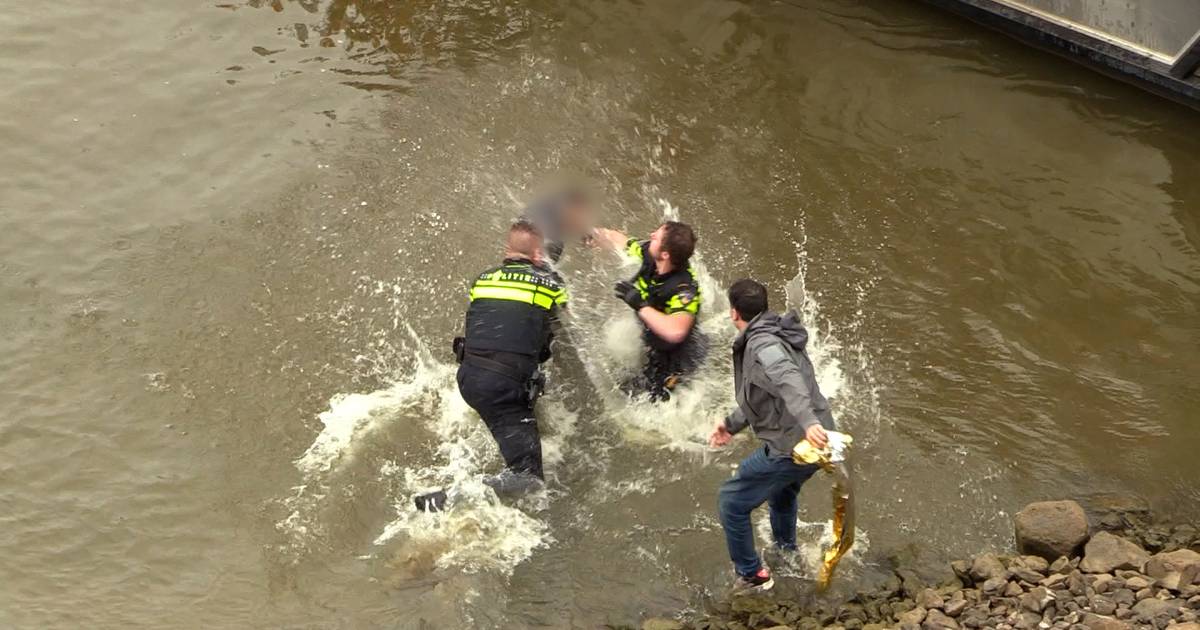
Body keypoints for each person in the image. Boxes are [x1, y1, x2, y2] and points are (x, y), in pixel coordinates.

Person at [708, 278, 836, 593]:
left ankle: (752, 576)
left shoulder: (763, 345)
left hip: (798, 443)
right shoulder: (775, 331)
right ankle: (786, 552)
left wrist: (807, 422)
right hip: (817, 435)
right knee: (782, 493)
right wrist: (732, 423)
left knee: (732, 500)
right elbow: (765, 395)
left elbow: (788, 379)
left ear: (733, 312)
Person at [454, 220, 567, 497]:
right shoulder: (552, 284)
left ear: (508, 249)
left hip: (469, 379)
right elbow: (558, 326)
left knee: (504, 420)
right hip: (504, 387)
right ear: (538, 254)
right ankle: (464, 493)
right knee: (530, 478)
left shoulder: (482, 279)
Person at [591, 221, 706, 401]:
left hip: (676, 357)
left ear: (665, 254)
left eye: (657, 236)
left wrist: (640, 305)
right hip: (653, 340)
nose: (651, 235)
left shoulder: (683, 289)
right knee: (623, 385)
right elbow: (622, 241)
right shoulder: (650, 254)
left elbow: (676, 331)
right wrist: (593, 233)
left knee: (654, 402)